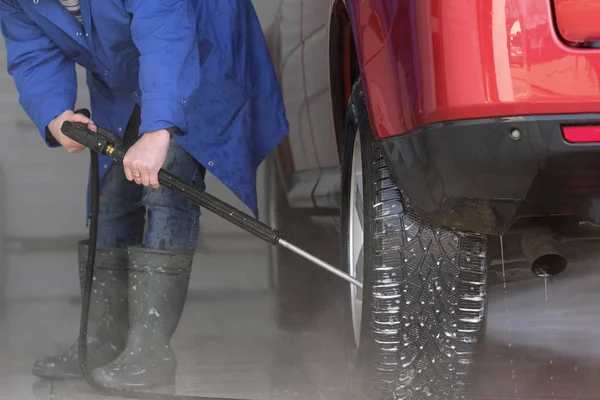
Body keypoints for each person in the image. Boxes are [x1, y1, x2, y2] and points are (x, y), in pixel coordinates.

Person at [0, 0, 288, 390]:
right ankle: (102, 342)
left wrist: (158, 129)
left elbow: (165, 30)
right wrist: (55, 116)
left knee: (166, 182)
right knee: (114, 189)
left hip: (196, 47)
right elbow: (33, 52)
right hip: (125, 68)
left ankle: (149, 353)